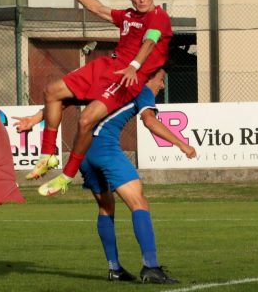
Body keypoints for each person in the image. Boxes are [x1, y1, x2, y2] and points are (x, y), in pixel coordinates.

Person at [13, 68, 196, 283]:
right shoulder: (142, 90)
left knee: (106, 207)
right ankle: (151, 267)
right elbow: (149, 121)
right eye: (161, 79)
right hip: (105, 149)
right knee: (139, 204)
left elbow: (63, 100)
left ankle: (114, 268)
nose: (162, 85)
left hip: (83, 152)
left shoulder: (111, 86)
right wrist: (182, 144)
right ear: (149, 77)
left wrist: (35, 119)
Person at [28, 0, 173, 197]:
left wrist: (134, 66)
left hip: (127, 77)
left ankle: (66, 176)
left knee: (85, 121)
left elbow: (150, 41)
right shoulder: (127, 16)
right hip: (106, 67)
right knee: (52, 91)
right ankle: (47, 156)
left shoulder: (159, 17)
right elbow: (96, 7)